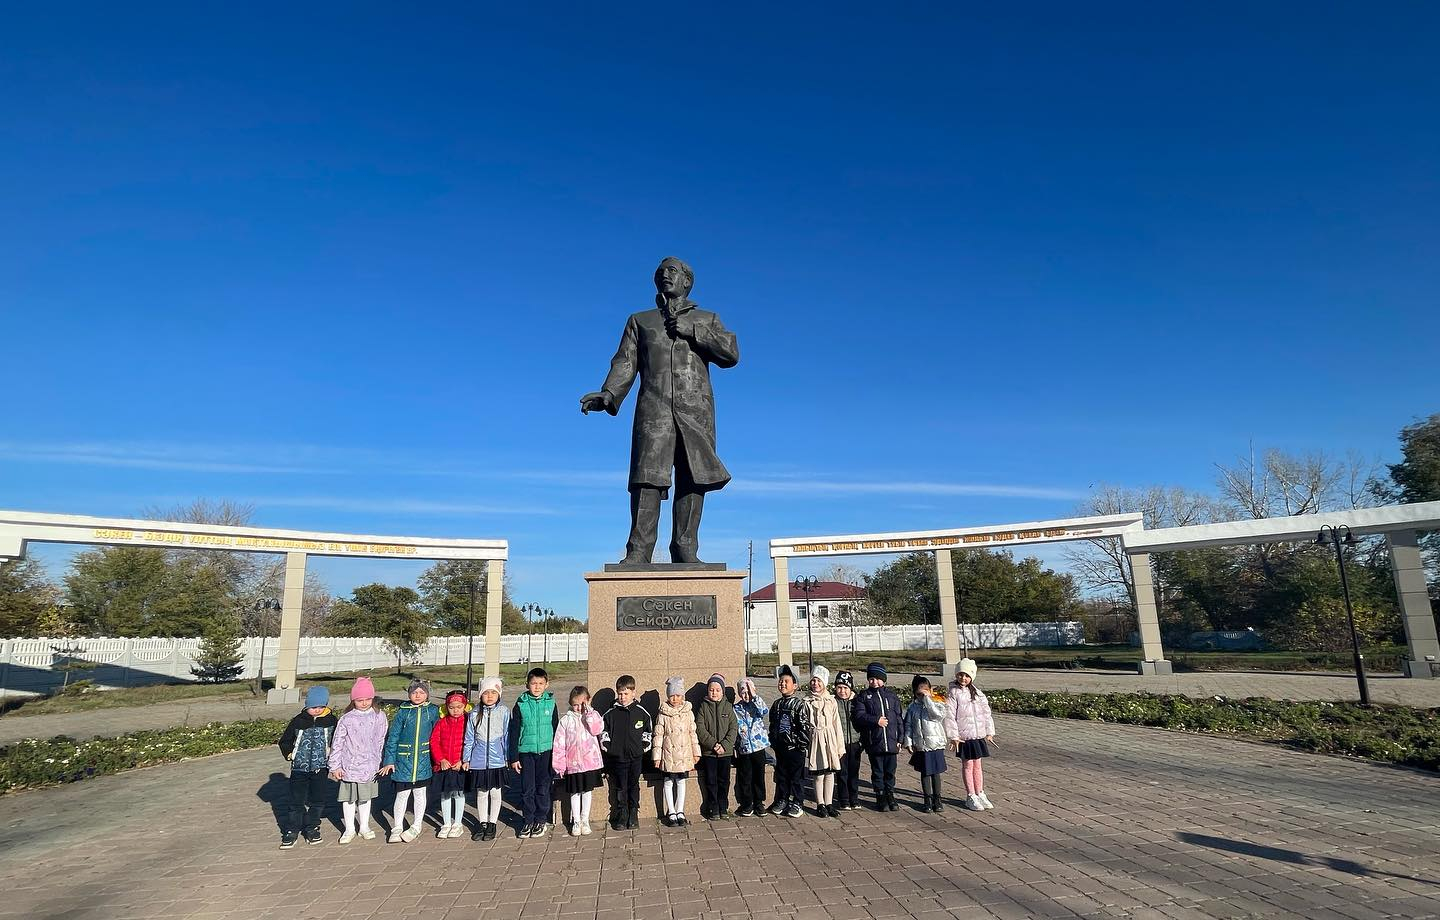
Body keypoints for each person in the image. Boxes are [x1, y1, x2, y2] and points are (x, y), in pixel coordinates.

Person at [579, 256, 741, 564]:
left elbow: (731, 354)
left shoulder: (707, 318)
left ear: (686, 281)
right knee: (647, 477)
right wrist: (609, 393)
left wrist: (695, 331)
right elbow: (626, 361)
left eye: (672, 270)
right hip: (654, 409)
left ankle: (685, 549)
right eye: (660, 271)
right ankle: (639, 551)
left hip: (696, 410)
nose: (665, 275)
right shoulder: (641, 320)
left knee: (694, 477)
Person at [327, 676, 388, 844]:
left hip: (369, 766)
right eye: (360, 700)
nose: (364, 703)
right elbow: (337, 742)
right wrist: (335, 766)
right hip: (349, 766)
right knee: (348, 799)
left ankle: (364, 826)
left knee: (365, 798)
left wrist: (378, 760)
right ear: (353, 700)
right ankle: (349, 828)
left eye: (368, 699)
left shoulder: (379, 716)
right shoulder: (347, 719)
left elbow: (381, 739)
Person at [380, 678, 441, 843]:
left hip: (423, 759)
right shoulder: (403, 711)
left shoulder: (433, 711)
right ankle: (397, 826)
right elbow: (393, 737)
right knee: (402, 794)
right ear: (409, 694)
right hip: (403, 760)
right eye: (414, 692)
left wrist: (438, 758)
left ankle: (416, 825)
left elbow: (438, 735)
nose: (418, 695)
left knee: (420, 794)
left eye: (422, 692)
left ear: (427, 695)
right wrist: (389, 760)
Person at [277, 685, 338, 848]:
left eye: (321, 707)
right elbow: (285, 740)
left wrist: (333, 758)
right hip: (299, 768)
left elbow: (338, 741)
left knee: (317, 800)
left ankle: (312, 827)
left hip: (320, 767)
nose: (317, 710)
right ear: (307, 705)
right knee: (296, 801)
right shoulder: (298, 721)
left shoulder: (332, 721)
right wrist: (290, 754)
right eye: (313, 707)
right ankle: (291, 830)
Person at [508, 667, 559, 838]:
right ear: (527, 684)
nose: (537, 687)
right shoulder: (521, 704)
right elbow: (514, 731)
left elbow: (556, 729)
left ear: (547, 685)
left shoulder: (551, 703)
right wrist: (514, 756)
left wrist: (557, 756)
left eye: (540, 683)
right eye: (533, 683)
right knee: (527, 789)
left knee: (543, 788)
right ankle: (528, 819)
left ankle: (541, 819)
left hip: (546, 752)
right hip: (526, 752)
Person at [600, 674, 653, 830]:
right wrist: (609, 748)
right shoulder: (610, 713)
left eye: (626, 693)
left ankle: (633, 812)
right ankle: (622, 812)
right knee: (620, 785)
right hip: (618, 757)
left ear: (633, 693)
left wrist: (642, 747)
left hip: (635, 757)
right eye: (620, 694)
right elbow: (604, 732)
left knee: (633, 784)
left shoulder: (641, 713)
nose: (623, 697)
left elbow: (648, 732)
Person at [552, 685, 605, 836]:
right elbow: (559, 744)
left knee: (587, 791)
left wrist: (589, 713)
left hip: (589, 763)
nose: (578, 708)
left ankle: (585, 819)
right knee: (575, 793)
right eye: (575, 704)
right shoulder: (566, 720)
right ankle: (576, 820)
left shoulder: (593, 715)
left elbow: (597, 729)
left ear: (588, 701)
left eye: (582, 704)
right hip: (573, 764)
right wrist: (559, 766)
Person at [944, 658, 996, 811]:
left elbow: (986, 713)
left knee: (977, 765)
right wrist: (953, 736)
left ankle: (980, 792)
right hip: (964, 738)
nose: (963, 678)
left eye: (967, 675)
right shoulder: (954, 693)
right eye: (960, 675)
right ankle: (970, 795)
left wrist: (989, 732)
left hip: (978, 736)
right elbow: (950, 715)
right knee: (968, 765)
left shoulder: (978, 693)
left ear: (972, 676)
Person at [463, 676, 510, 841]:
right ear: (480, 695)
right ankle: (482, 822)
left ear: (499, 694)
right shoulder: (474, 713)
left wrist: (507, 758)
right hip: (478, 761)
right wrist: (466, 759)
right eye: (486, 693)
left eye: (493, 692)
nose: (489, 696)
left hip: (497, 760)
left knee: (495, 793)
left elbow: (506, 736)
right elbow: (469, 738)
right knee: (482, 792)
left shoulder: (504, 711)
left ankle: (492, 823)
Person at [852, 662, 903, 811]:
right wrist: (875, 720)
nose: (874, 682)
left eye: (878, 679)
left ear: (884, 679)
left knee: (890, 771)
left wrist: (900, 739)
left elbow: (899, 718)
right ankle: (880, 795)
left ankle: (890, 794)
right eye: (871, 679)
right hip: (875, 742)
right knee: (878, 771)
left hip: (892, 743)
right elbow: (859, 716)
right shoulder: (864, 696)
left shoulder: (891, 696)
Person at [653, 675, 701, 827]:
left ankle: (680, 810)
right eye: (672, 695)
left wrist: (696, 752)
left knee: (681, 782)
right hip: (668, 754)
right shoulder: (663, 713)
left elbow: (693, 733)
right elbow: (658, 735)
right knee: (668, 782)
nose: (675, 699)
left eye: (678, 695)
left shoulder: (688, 712)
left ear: (683, 696)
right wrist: (657, 756)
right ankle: (671, 811)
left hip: (684, 755)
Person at [768, 664, 812, 818]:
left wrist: (800, 745)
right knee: (782, 775)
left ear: (795, 685)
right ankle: (782, 799)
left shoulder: (799, 705)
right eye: (781, 681)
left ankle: (798, 802)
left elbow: (805, 728)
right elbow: (773, 724)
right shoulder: (777, 704)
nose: (782, 683)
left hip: (795, 750)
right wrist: (773, 741)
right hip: (780, 748)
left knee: (797, 778)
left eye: (786, 681)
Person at [694, 672, 738, 820]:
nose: (714, 692)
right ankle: (713, 806)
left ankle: (723, 806)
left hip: (725, 753)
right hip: (709, 753)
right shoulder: (703, 708)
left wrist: (724, 745)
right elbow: (700, 729)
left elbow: (733, 728)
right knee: (711, 780)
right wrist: (713, 744)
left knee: (724, 780)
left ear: (723, 691)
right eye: (711, 689)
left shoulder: (728, 707)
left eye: (718, 690)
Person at [804, 666, 845, 818]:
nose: (815, 683)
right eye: (813, 680)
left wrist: (840, 746)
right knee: (818, 774)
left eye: (819, 681)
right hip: (815, 738)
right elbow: (804, 724)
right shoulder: (806, 701)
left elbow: (837, 724)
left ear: (825, 683)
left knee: (830, 772)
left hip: (830, 739)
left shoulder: (831, 701)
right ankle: (820, 803)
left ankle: (829, 803)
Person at [904, 675, 949, 813]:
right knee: (925, 773)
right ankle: (927, 799)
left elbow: (937, 716)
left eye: (925, 691)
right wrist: (908, 742)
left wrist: (928, 700)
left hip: (935, 744)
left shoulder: (938, 702)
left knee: (935, 773)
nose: (922, 695)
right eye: (919, 693)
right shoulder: (912, 707)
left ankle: (937, 799)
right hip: (922, 746)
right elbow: (908, 726)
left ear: (930, 690)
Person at [430, 689, 470, 838]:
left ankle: (458, 823)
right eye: (452, 707)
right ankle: (446, 823)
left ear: (464, 706)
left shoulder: (468, 721)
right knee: (445, 794)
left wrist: (463, 760)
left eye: (459, 707)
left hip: (459, 765)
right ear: (447, 707)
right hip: (445, 765)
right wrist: (440, 759)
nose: (455, 710)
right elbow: (434, 741)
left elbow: (470, 742)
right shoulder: (442, 722)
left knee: (458, 793)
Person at [732, 677, 770, 817]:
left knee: (759, 776)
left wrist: (754, 696)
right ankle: (747, 803)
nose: (746, 695)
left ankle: (759, 802)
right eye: (743, 692)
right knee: (745, 776)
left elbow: (764, 710)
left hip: (759, 747)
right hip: (744, 748)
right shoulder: (736, 708)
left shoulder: (757, 705)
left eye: (749, 692)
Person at [832, 671, 863, 811]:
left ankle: (854, 798)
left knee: (854, 772)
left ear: (851, 688)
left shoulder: (857, 702)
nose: (842, 691)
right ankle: (844, 799)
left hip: (855, 743)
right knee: (842, 773)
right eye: (839, 687)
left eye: (845, 688)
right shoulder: (833, 702)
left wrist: (862, 741)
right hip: (840, 744)